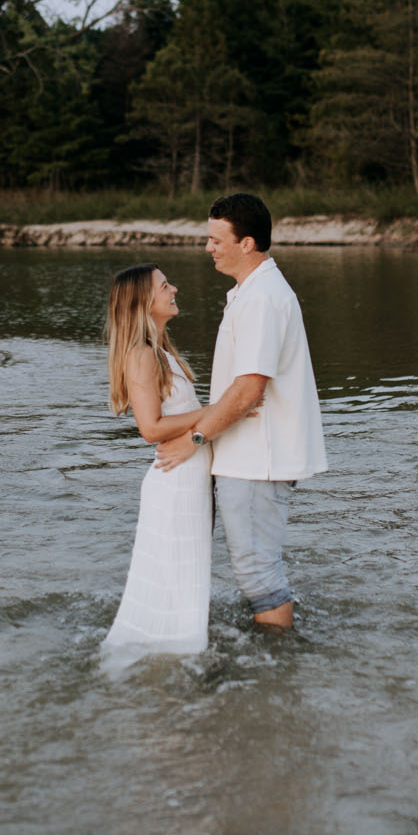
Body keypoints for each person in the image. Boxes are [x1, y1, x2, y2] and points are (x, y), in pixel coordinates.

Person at [156, 193, 326, 630]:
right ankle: (270, 648)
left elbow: (249, 388)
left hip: (258, 459)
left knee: (256, 569)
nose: (208, 247)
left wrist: (193, 440)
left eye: (216, 239)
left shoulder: (262, 299)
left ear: (246, 243)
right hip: (249, 456)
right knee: (254, 566)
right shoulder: (250, 292)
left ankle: (277, 665)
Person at [100, 263, 215, 663]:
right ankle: (175, 661)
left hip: (188, 479)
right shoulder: (142, 354)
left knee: (184, 579)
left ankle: (180, 655)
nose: (174, 289)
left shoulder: (161, 350)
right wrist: (216, 411)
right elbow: (151, 428)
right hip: (174, 482)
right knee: (176, 579)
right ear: (143, 302)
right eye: (165, 286)